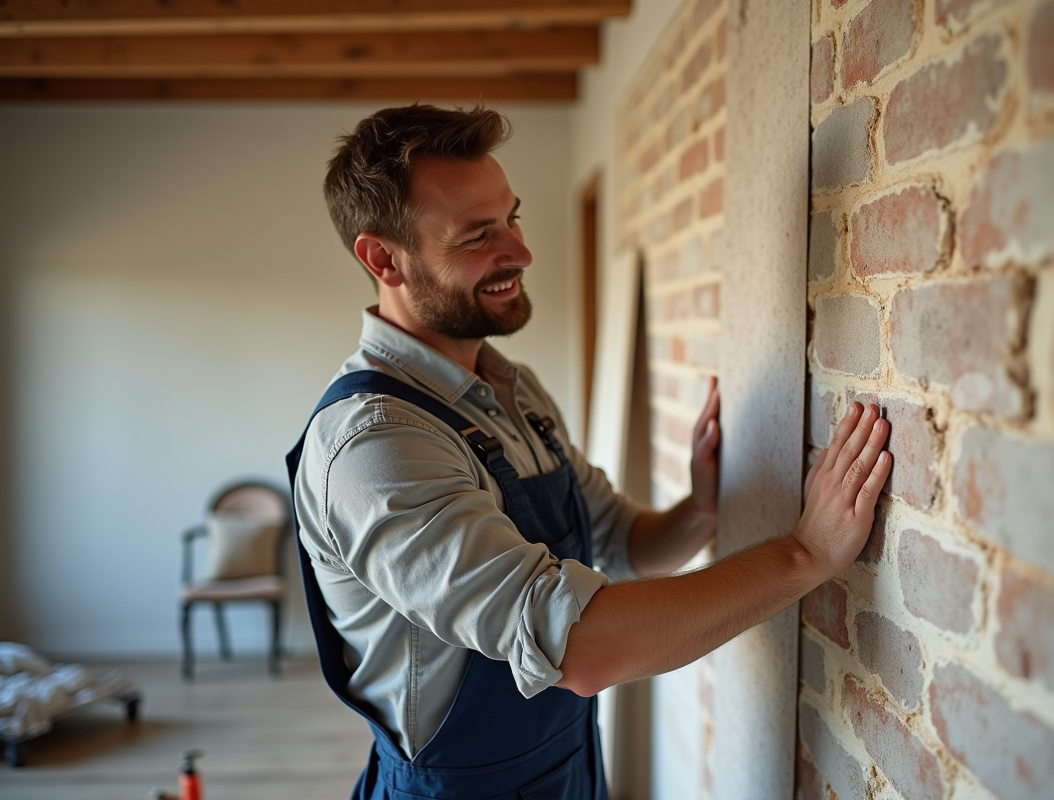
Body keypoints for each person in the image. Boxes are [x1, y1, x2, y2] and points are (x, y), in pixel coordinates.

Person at [287, 104, 892, 800]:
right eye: (479, 235)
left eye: (512, 218)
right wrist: (807, 553)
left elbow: (623, 542)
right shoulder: (374, 446)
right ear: (383, 259)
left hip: (569, 767)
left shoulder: (513, 390)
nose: (520, 252)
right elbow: (579, 646)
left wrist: (701, 507)